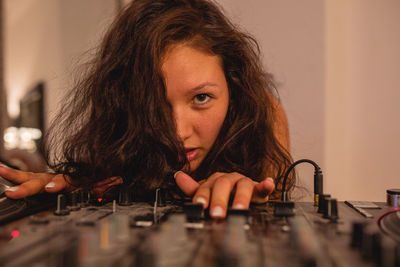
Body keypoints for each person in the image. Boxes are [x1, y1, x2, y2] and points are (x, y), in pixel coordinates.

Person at [0, 0, 293, 219]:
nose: (177, 131)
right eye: (154, 103)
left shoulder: (265, 114)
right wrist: (76, 187)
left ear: (234, 87)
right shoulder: (126, 132)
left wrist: (246, 191)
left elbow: (272, 200)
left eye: (201, 98)